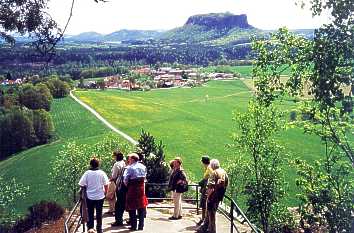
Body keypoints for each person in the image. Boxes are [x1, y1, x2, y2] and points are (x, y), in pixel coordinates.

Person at [78, 157, 109, 233]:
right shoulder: (102, 173)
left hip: (90, 197)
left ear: (90, 164)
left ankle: (90, 228)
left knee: (90, 213)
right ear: (98, 164)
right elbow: (106, 184)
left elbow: (81, 184)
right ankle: (99, 229)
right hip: (100, 196)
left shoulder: (87, 173)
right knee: (99, 213)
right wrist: (105, 193)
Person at [197, 159, 228, 233]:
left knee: (211, 214)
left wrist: (208, 197)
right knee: (210, 213)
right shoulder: (223, 172)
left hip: (213, 197)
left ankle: (212, 231)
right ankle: (204, 228)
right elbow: (226, 184)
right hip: (219, 196)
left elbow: (210, 187)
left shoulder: (214, 173)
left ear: (212, 165)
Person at [123, 153, 148, 231]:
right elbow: (145, 177)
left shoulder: (130, 168)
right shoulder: (143, 167)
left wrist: (128, 186)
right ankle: (141, 225)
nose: (128, 160)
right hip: (141, 188)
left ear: (133, 159)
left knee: (132, 206)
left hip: (132, 188)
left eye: (129, 159)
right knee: (141, 206)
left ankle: (133, 226)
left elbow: (125, 180)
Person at [110, 150, 127, 227]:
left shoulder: (116, 164)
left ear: (116, 157)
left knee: (118, 203)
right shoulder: (124, 163)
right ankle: (120, 218)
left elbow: (114, 176)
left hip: (119, 184)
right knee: (122, 202)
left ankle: (118, 220)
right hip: (124, 184)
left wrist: (111, 179)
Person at [197, 155, 213, 226]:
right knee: (203, 205)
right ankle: (203, 219)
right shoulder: (208, 168)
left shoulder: (209, 169)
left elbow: (208, 179)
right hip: (205, 189)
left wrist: (202, 182)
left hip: (206, 190)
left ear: (203, 162)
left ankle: (204, 221)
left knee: (204, 205)